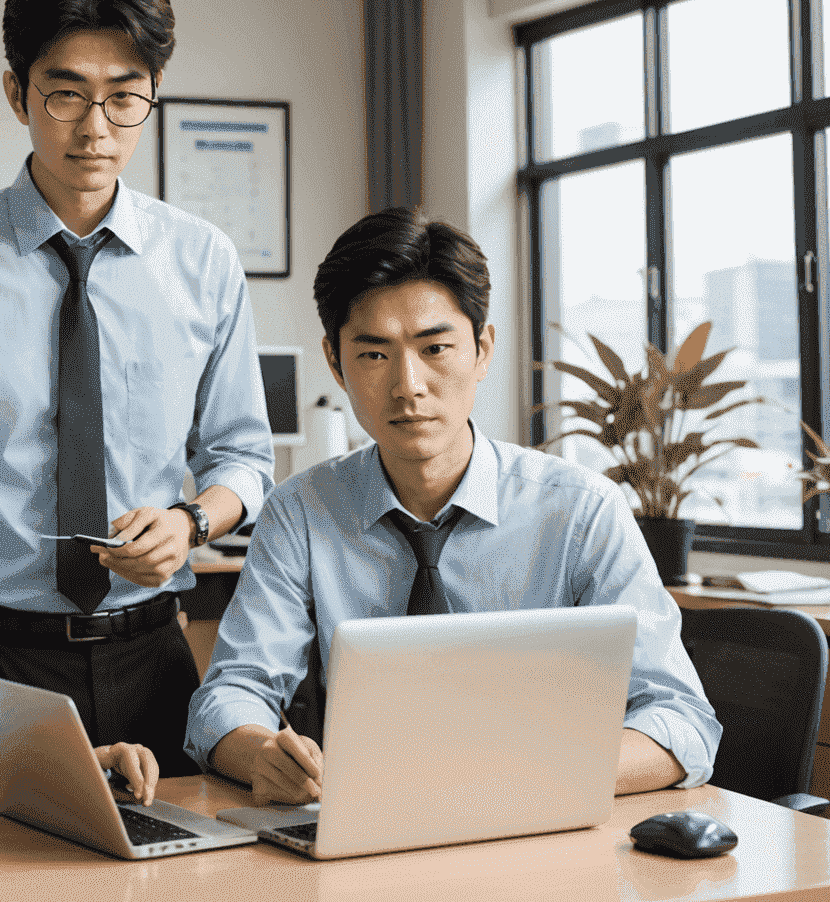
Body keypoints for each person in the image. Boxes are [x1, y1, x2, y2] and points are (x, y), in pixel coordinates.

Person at [0, 0, 274, 775]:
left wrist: (192, 523)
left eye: (125, 99)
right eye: (66, 93)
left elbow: (242, 456)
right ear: (17, 91)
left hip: (155, 654)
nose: (95, 129)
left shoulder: (204, 261)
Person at [185, 206, 721, 802]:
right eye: (373, 354)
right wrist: (263, 753)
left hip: (540, 824)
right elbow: (227, 698)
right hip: (367, 829)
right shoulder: (300, 513)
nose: (407, 385)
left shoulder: (581, 511)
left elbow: (679, 720)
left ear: (482, 349)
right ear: (335, 363)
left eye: (435, 348)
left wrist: (521, 776)